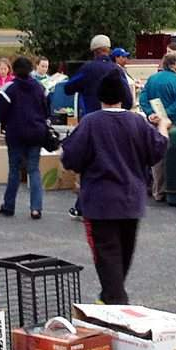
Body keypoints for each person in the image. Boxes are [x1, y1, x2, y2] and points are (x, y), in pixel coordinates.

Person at [60, 72, 168, 302]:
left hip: (100, 203)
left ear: (100, 96)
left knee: (107, 258)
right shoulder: (137, 122)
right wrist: (163, 126)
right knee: (122, 259)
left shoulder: (91, 122)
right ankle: (110, 298)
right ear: (124, 96)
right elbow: (157, 149)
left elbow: (70, 158)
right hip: (131, 202)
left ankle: (114, 302)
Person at [62, 36, 121, 218]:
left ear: (93, 51)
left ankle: (83, 206)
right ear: (109, 50)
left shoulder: (88, 69)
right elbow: (127, 98)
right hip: (115, 122)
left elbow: (68, 88)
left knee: (90, 166)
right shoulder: (116, 70)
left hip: (91, 123)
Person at [0, 55, 52, 220]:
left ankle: (9, 206)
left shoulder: (8, 89)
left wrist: (8, 124)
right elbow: (47, 111)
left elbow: (0, 113)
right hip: (36, 133)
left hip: (16, 134)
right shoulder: (40, 88)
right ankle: (36, 209)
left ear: (15, 72)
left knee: (14, 170)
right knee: (34, 169)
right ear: (31, 70)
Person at [139, 52, 176, 201]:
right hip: (173, 123)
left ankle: (158, 191)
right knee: (174, 157)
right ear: (174, 65)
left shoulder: (152, 79)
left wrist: (150, 114)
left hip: (154, 123)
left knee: (157, 160)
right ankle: (174, 190)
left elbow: (143, 99)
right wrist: (165, 116)